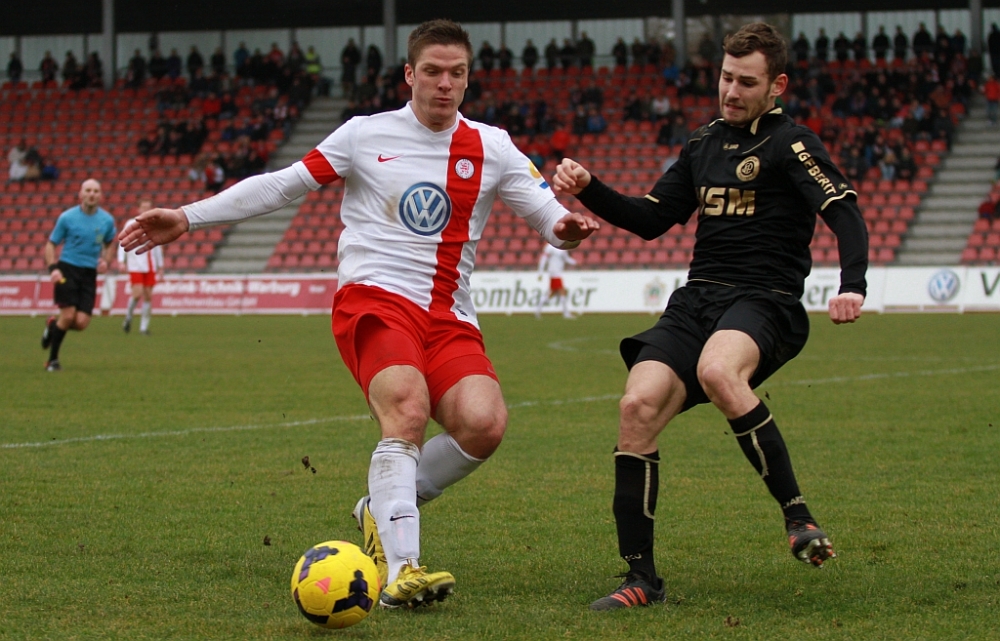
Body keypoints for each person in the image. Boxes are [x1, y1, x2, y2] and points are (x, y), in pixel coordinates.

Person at [119, 19, 599, 610]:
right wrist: (188, 216)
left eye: (457, 73)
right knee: (407, 409)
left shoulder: (492, 146)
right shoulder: (363, 134)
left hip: (448, 313)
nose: (445, 84)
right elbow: (281, 186)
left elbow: (549, 219)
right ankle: (402, 570)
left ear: (468, 78)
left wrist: (569, 228)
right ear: (409, 74)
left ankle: (381, 507)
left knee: (484, 424)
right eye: (432, 71)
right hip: (374, 298)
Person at [553, 21, 867, 611]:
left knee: (719, 372)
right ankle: (641, 579)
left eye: (746, 82)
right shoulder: (702, 143)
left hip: (764, 299)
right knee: (636, 407)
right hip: (697, 299)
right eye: (726, 77)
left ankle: (797, 516)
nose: (731, 90)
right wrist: (589, 187)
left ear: (776, 86)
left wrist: (853, 284)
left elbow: (843, 210)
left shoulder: (792, 143)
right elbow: (651, 218)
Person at [41, 179, 117, 372]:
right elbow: (51, 244)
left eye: (96, 191)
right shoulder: (67, 218)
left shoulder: (107, 220)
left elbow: (110, 243)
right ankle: (52, 361)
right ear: (81, 194)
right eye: (88, 190)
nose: (92, 194)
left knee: (81, 323)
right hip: (68, 269)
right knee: (67, 315)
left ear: (100, 195)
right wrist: (53, 268)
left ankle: (53, 325)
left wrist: (106, 261)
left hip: (89, 273)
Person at [118, 197, 164, 335]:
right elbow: (123, 241)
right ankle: (128, 318)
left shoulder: (154, 225)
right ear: (138, 209)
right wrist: (121, 260)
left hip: (150, 265)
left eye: (148, 207)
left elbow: (157, 246)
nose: (146, 210)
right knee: (137, 294)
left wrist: (160, 266)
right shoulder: (131, 223)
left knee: (148, 296)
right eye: (143, 207)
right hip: (135, 264)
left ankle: (143, 328)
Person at [534, 243, 578, 319]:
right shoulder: (550, 247)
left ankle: (538, 310)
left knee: (552, 294)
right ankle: (566, 313)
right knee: (562, 291)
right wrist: (540, 272)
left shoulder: (563, 247)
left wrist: (575, 262)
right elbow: (544, 259)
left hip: (558, 273)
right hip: (554, 273)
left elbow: (566, 258)